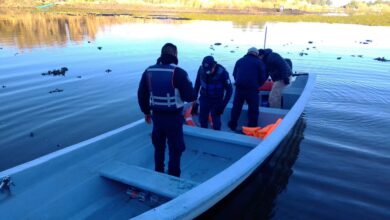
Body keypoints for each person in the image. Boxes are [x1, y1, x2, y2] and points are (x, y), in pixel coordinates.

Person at [137, 43, 195, 177]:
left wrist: (146, 112)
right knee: (175, 149)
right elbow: (190, 96)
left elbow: (142, 94)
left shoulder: (148, 71)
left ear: (161, 54)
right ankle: (173, 177)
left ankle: (158, 172)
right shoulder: (179, 72)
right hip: (173, 119)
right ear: (175, 55)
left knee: (159, 147)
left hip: (156, 117)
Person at [228, 47, 267, 131]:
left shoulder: (239, 60)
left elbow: (235, 74)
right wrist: (257, 85)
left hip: (239, 88)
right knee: (253, 109)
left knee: (236, 107)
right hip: (252, 90)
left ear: (248, 52)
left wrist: (239, 82)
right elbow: (263, 78)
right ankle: (251, 128)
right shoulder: (259, 62)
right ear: (256, 54)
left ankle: (232, 125)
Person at [193, 56, 233, 130]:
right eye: (205, 70)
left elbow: (230, 90)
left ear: (214, 65)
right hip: (204, 98)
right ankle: (203, 133)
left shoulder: (223, 73)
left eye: (209, 70)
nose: (207, 72)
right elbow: (197, 84)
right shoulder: (201, 69)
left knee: (216, 121)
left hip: (217, 100)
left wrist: (223, 106)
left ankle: (217, 133)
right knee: (202, 119)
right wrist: (194, 101)